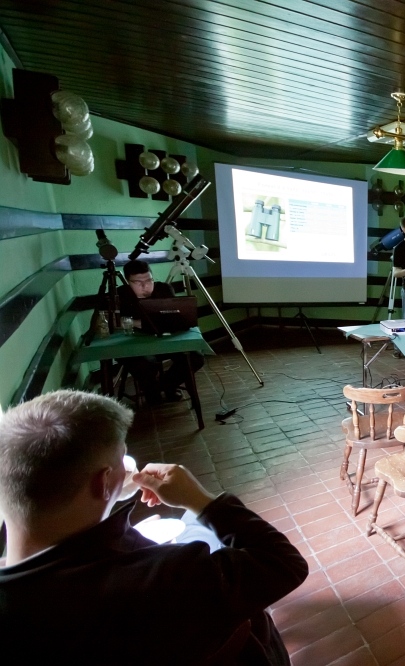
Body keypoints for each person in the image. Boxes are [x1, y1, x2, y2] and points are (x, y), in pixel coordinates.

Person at [0, 390, 308, 665]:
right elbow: (283, 563)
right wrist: (201, 500)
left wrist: (128, 543)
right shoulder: (171, 576)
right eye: (123, 456)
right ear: (103, 482)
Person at [115, 259, 205, 403]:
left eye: (149, 280)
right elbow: (111, 321)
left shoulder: (163, 289)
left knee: (196, 358)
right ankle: (152, 391)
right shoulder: (120, 294)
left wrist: (139, 323)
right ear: (128, 282)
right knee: (143, 364)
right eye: (138, 282)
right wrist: (136, 323)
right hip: (134, 344)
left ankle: (165, 386)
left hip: (164, 339)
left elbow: (174, 317)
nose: (146, 286)